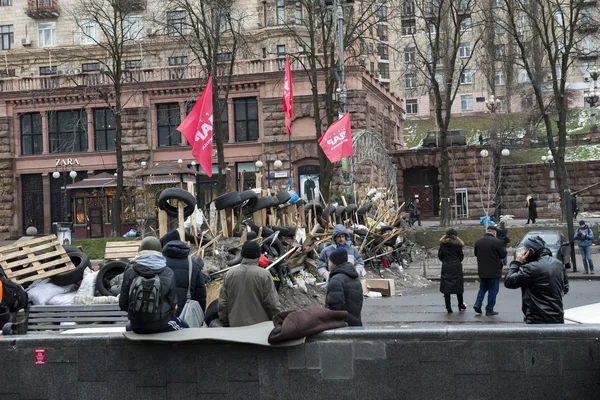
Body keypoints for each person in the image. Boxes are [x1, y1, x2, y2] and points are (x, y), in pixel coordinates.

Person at [119, 237, 187, 333]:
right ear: (159, 251)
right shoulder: (167, 272)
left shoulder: (130, 271)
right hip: (161, 324)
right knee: (186, 328)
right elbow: (173, 303)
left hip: (136, 326)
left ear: (140, 251)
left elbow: (123, 304)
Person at [504, 236, 569, 324]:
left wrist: (517, 263)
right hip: (557, 315)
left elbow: (509, 282)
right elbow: (565, 288)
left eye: (524, 249)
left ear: (531, 251)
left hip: (537, 318)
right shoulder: (557, 263)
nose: (522, 253)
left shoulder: (531, 268)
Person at [218, 241, 281, 327]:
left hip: (235, 328)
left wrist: (226, 323)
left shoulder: (229, 274)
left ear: (242, 254)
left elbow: (222, 304)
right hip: (259, 328)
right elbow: (272, 303)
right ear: (259, 255)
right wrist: (277, 322)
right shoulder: (264, 275)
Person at [162, 240, 207, 316]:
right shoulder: (193, 265)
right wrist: (200, 314)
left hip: (163, 313)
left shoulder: (159, 264)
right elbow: (200, 294)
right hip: (186, 313)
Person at [325, 248, 363, 326]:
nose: (328, 263)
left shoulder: (336, 280)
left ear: (334, 263)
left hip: (342, 327)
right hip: (356, 325)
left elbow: (334, 309)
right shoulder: (355, 278)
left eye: (330, 261)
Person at [473, 226, 507, 316]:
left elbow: (476, 254)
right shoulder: (497, 242)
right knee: (493, 290)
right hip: (494, 271)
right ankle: (489, 309)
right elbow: (503, 254)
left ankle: (477, 304)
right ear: (494, 233)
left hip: (482, 270)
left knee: (482, 288)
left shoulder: (478, 241)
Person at [438, 228, 466, 314]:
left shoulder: (443, 245)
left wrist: (445, 261)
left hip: (446, 267)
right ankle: (460, 304)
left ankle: (448, 307)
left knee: (446, 288)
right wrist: (456, 261)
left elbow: (440, 255)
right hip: (456, 267)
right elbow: (461, 256)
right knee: (458, 287)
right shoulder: (458, 245)